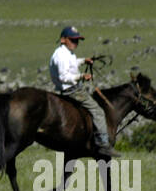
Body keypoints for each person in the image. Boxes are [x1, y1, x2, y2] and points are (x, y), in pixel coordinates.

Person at [49, 25, 119, 158]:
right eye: (73, 40)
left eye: (77, 40)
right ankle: (103, 144)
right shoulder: (61, 55)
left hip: (71, 88)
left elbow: (71, 63)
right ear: (63, 39)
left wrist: (82, 61)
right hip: (72, 90)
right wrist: (81, 76)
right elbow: (64, 76)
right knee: (97, 111)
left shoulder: (65, 52)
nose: (76, 43)